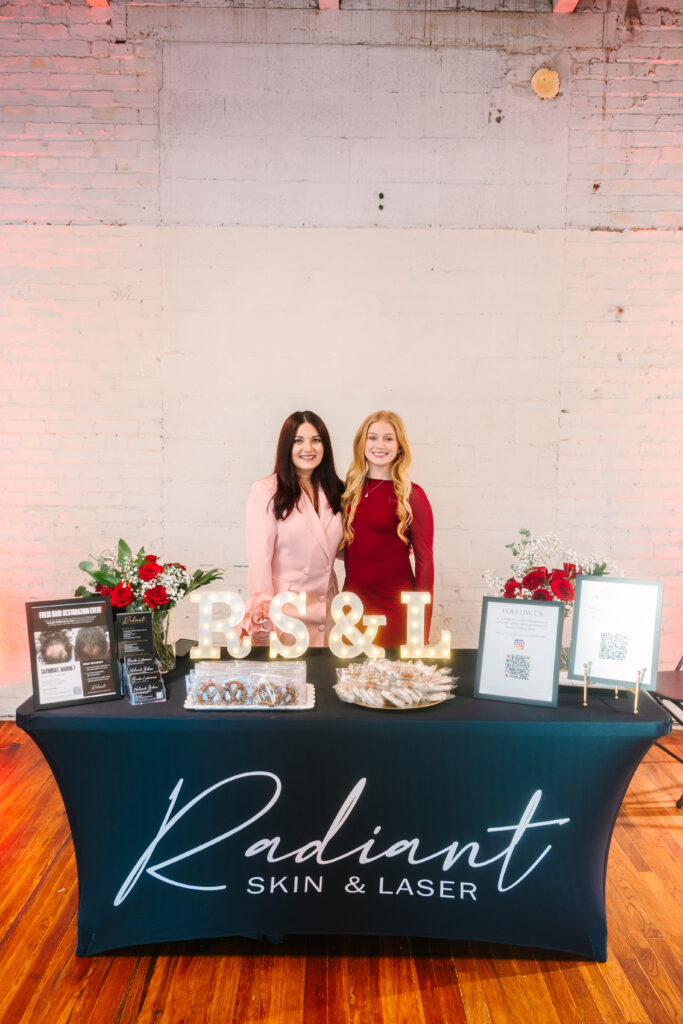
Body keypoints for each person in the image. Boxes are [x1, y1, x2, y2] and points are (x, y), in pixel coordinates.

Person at [244, 411, 344, 647]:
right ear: (286, 446)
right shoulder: (266, 490)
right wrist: (265, 617)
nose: (307, 448)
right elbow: (259, 563)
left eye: (316, 440)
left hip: (328, 612)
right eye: (298, 440)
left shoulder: (338, 490)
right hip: (286, 616)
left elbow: (343, 548)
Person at [342, 410, 434, 648]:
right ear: (362, 443)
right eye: (372, 437)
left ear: (399, 446)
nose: (379, 445)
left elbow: (425, 562)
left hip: (396, 609)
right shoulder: (348, 491)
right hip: (354, 607)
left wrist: (421, 624)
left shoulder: (412, 495)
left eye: (388, 438)